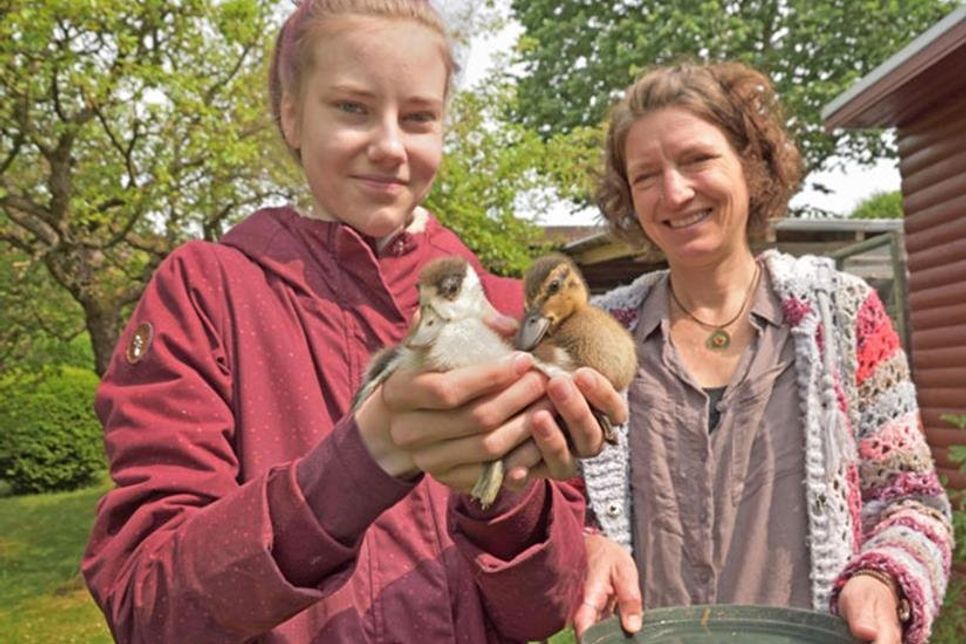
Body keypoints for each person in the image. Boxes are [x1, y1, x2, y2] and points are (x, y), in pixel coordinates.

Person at [81, 2, 627, 641]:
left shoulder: (509, 311)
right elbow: (150, 606)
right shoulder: (206, 292)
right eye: (351, 108)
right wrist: (365, 457)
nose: (390, 145)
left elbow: (542, 610)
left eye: (419, 117)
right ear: (292, 115)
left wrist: (505, 491)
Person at [573, 61, 952, 644]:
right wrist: (584, 543)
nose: (674, 192)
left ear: (750, 166)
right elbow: (560, 505)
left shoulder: (847, 315)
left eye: (697, 159)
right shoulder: (598, 338)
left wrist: (883, 578)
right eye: (646, 175)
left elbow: (912, 502)